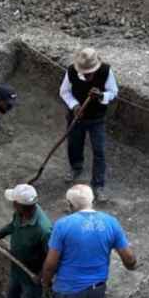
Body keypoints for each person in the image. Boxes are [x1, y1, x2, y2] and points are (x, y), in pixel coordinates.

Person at [42, 185, 137, 298]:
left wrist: (46, 282)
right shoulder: (110, 222)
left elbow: (51, 263)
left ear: (69, 204)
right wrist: (132, 266)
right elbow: (129, 258)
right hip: (97, 289)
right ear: (92, 200)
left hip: (67, 290)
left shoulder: (63, 225)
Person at [60, 47, 118, 202]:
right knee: (74, 143)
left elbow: (113, 92)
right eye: (86, 73)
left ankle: (98, 185)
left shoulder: (106, 71)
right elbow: (64, 92)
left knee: (99, 151)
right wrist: (74, 106)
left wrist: (101, 95)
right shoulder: (71, 71)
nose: (89, 75)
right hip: (76, 117)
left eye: (91, 72)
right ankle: (76, 167)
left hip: (97, 118)